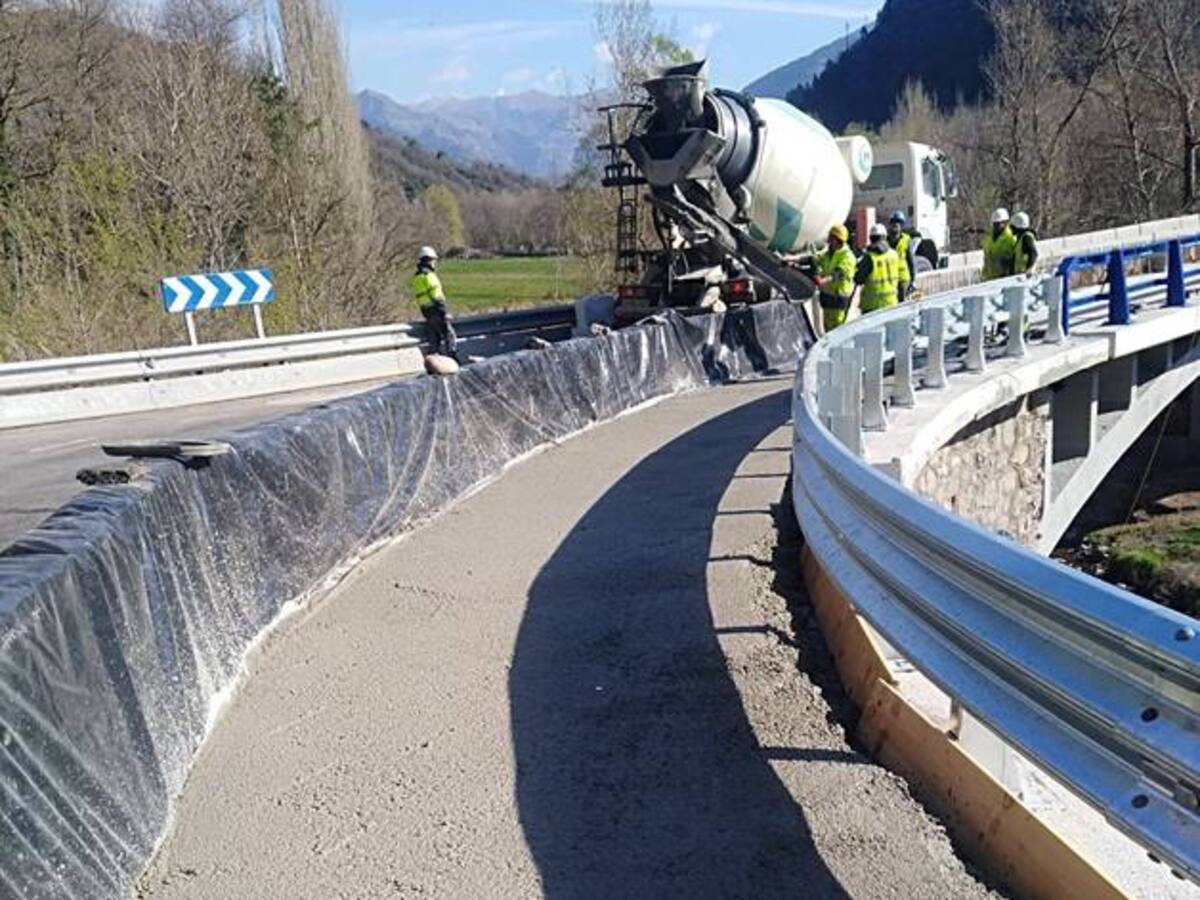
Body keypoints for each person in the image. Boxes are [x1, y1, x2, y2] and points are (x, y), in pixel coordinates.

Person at [409, 246, 459, 360]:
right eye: (433, 260)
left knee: (434, 337)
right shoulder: (429, 276)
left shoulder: (417, 277)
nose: (434, 263)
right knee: (449, 335)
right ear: (429, 260)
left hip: (426, 311)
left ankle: (435, 360)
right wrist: (444, 312)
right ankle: (452, 358)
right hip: (436, 310)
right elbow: (437, 296)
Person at [814, 223, 857, 332]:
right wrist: (793, 261)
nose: (829, 241)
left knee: (837, 331)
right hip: (828, 299)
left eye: (831, 238)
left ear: (838, 240)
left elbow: (838, 274)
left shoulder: (848, 257)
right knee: (827, 330)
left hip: (839, 301)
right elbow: (814, 259)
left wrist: (823, 281)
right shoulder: (828, 253)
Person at [856, 223, 901, 313]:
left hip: (872, 307)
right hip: (891, 303)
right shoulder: (894, 254)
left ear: (871, 238)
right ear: (885, 237)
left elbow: (858, 279)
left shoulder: (869, 257)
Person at [887, 210, 918, 300]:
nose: (895, 225)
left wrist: (913, 280)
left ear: (901, 226)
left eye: (898, 223)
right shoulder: (885, 241)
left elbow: (911, 261)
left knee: (902, 303)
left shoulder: (906, 240)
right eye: (893, 223)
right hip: (890, 279)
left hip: (903, 279)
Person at [982, 208, 1018, 280]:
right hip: (988, 277)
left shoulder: (1011, 238)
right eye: (994, 224)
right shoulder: (989, 236)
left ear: (1005, 223)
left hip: (1003, 277)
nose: (996, 226)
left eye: (998, 224)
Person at [1012, 211, 1039, 276]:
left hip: (1024, 276)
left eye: (1013, 227)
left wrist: (1028, 269)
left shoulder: (1027, 238)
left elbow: (1033, 253)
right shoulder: (1021, 238)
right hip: (1019, 275)